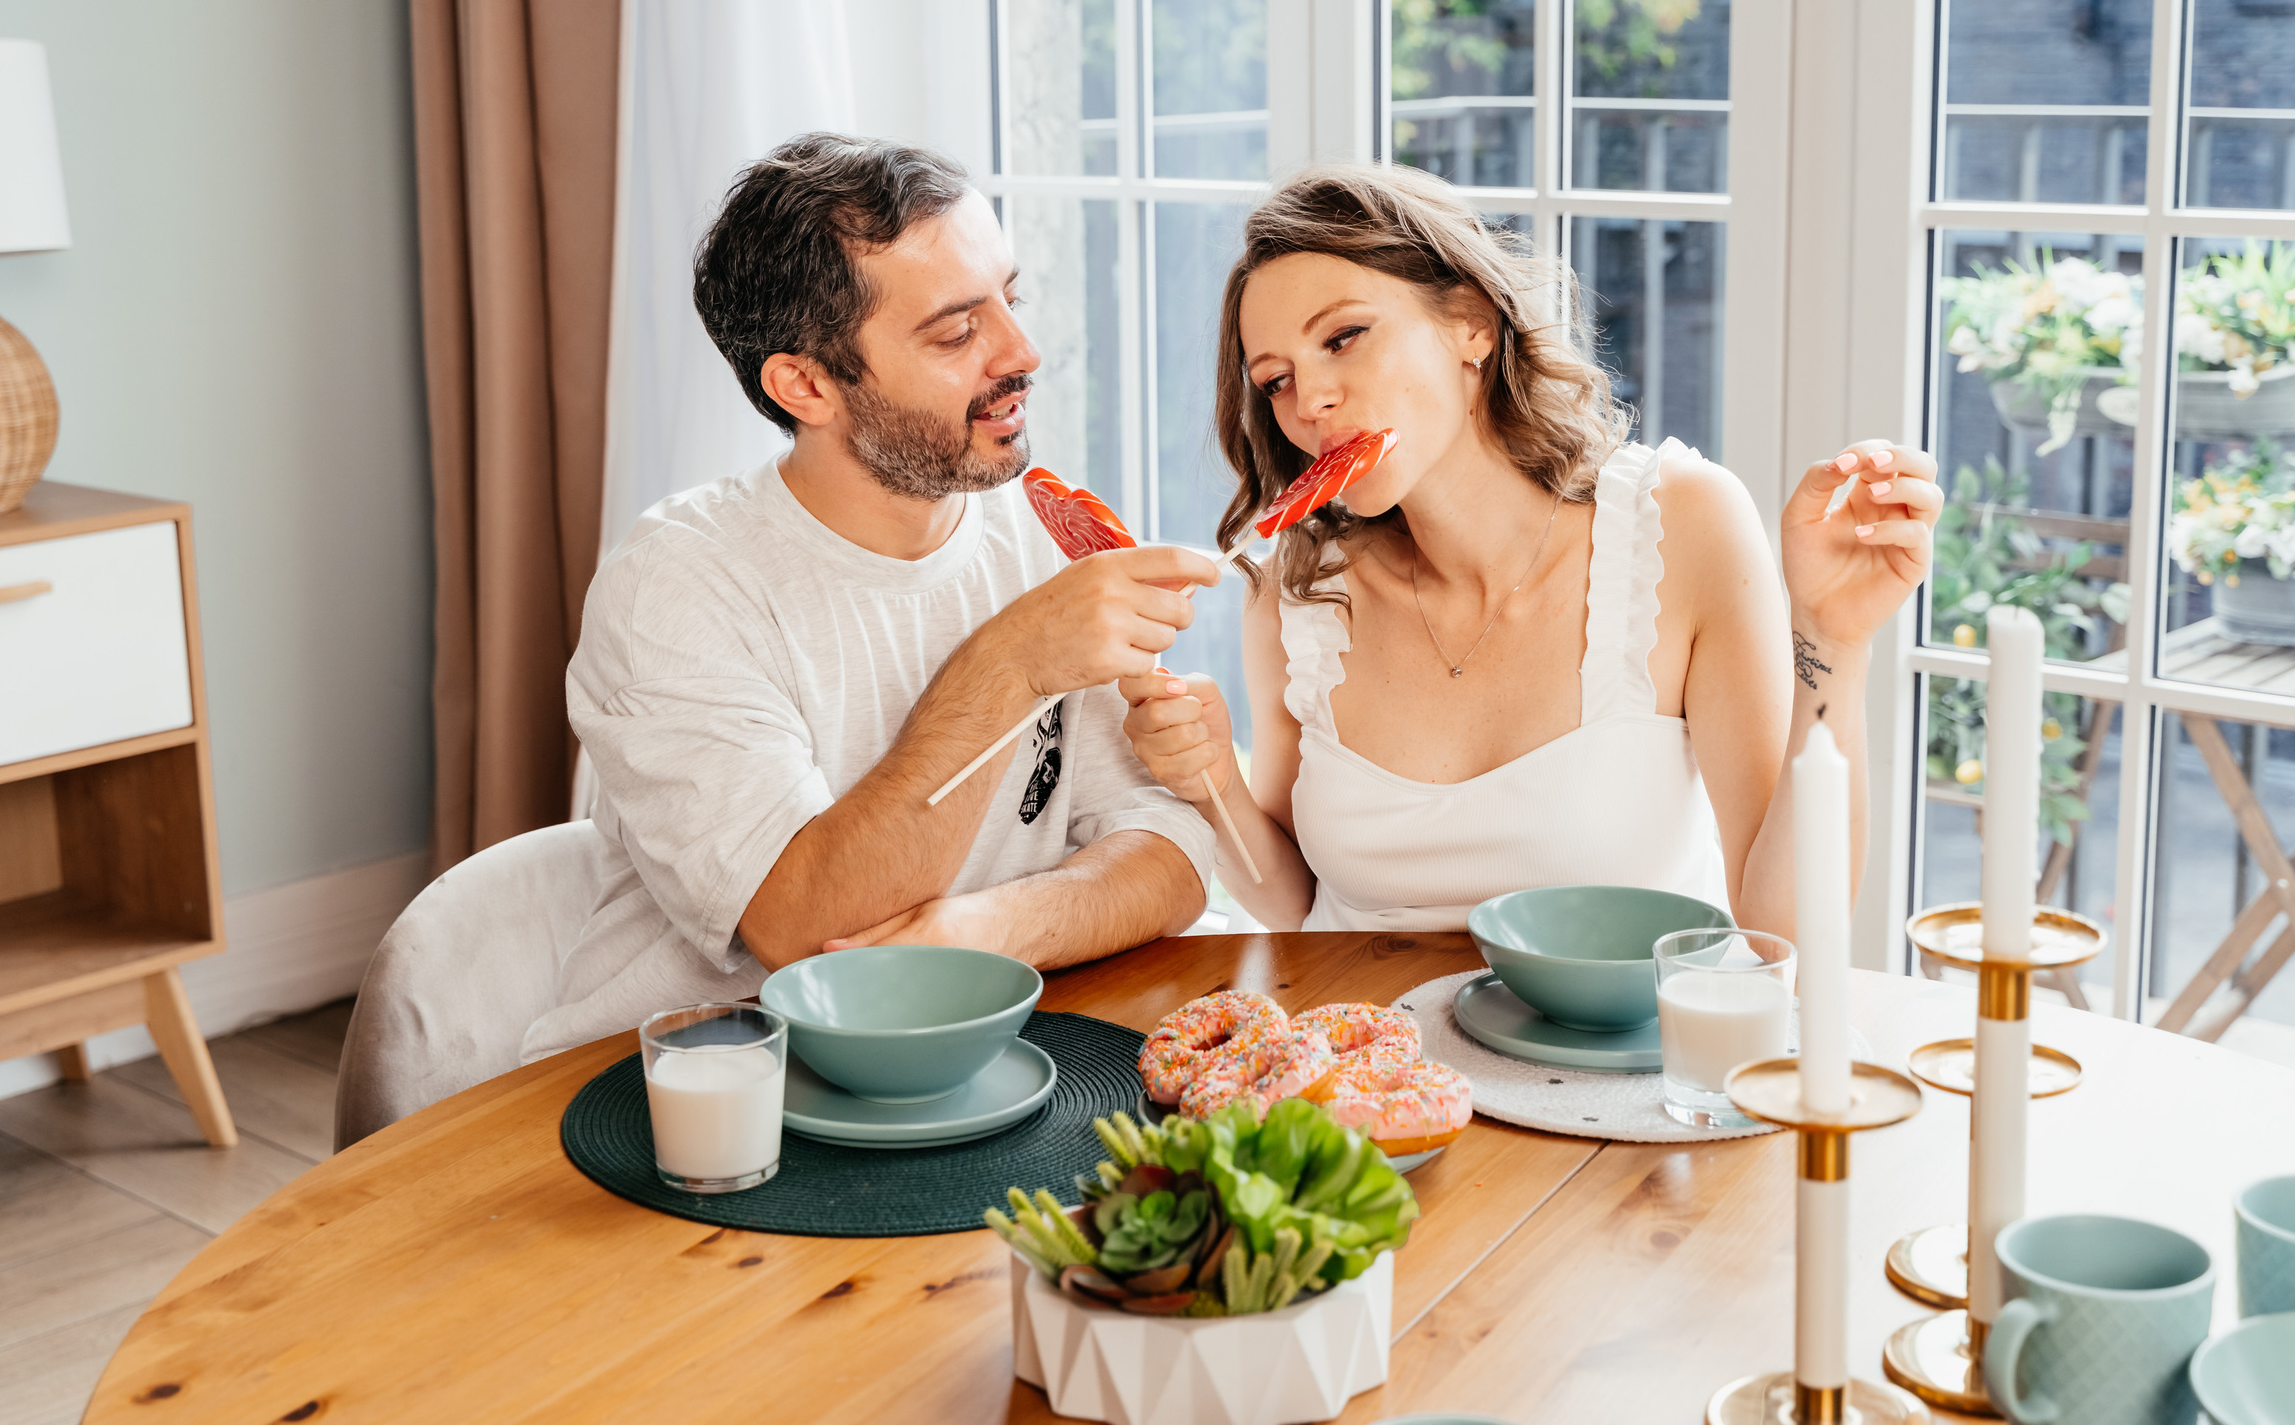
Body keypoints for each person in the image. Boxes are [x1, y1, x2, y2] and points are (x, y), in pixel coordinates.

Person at [521, 134, 1218, 1060]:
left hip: (971, 1065)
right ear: (804, 384)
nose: (1023, 352)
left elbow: (1170, 850)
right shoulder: (678, 587)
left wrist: (984, 929)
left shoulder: (1039, 529)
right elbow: (807, 931)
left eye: (1011, 299)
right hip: (704, 1086)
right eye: (958, 331)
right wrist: (1012, 666)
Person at [1119, 163, 1936, 940]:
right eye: (1276, 379)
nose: (1312, 402)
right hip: (1365, 1062)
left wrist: (1833, 640)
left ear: (1471, 324)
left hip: (1610, 1075)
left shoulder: (1682, 524)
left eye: (1344, 338)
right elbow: (1295, 908)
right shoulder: (1300, 592)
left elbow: (1781, 934)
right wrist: (1210, 782)